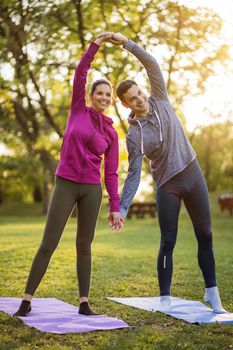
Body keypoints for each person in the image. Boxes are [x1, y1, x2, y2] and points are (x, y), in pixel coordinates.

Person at [107, 32, 226, 313]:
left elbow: (151, 64)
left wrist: (127, 43)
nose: (140, 100)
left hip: (192, 173)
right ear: (125, 104)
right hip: (167, 184)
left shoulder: (159, 98)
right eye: (133, 99)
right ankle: (165, 299)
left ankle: (212, 294)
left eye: (139, 94)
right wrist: (123, 208)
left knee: (206, 235)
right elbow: (134, 173)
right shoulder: (134, 136)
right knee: (168, 240)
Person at [14, 33, 122, 317]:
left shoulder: (111, 132)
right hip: (65, 183)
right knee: (48, 243)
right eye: (99, 93)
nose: (103, 97)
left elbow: (111, 173)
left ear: (111, 100)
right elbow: (81, 72)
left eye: (108, 95)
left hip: (91, 189)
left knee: (84, 245)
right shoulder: (78, 111)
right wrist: (96, 44)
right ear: (90, 95)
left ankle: (84, 302)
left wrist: (114, 206)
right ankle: (26, 299)